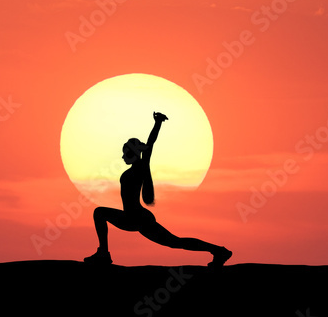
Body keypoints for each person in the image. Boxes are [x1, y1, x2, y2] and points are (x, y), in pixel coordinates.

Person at [84, 111, 232, 266]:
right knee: (174, 242)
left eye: (125, 153)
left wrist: (158, 123)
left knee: (100, 213)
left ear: (133, 153)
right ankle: (218, 251)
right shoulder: (136, 168)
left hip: (136, 218)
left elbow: (150, 143)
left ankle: (104, 253)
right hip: (132, 217)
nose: (122, 157)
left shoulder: (141, 166)